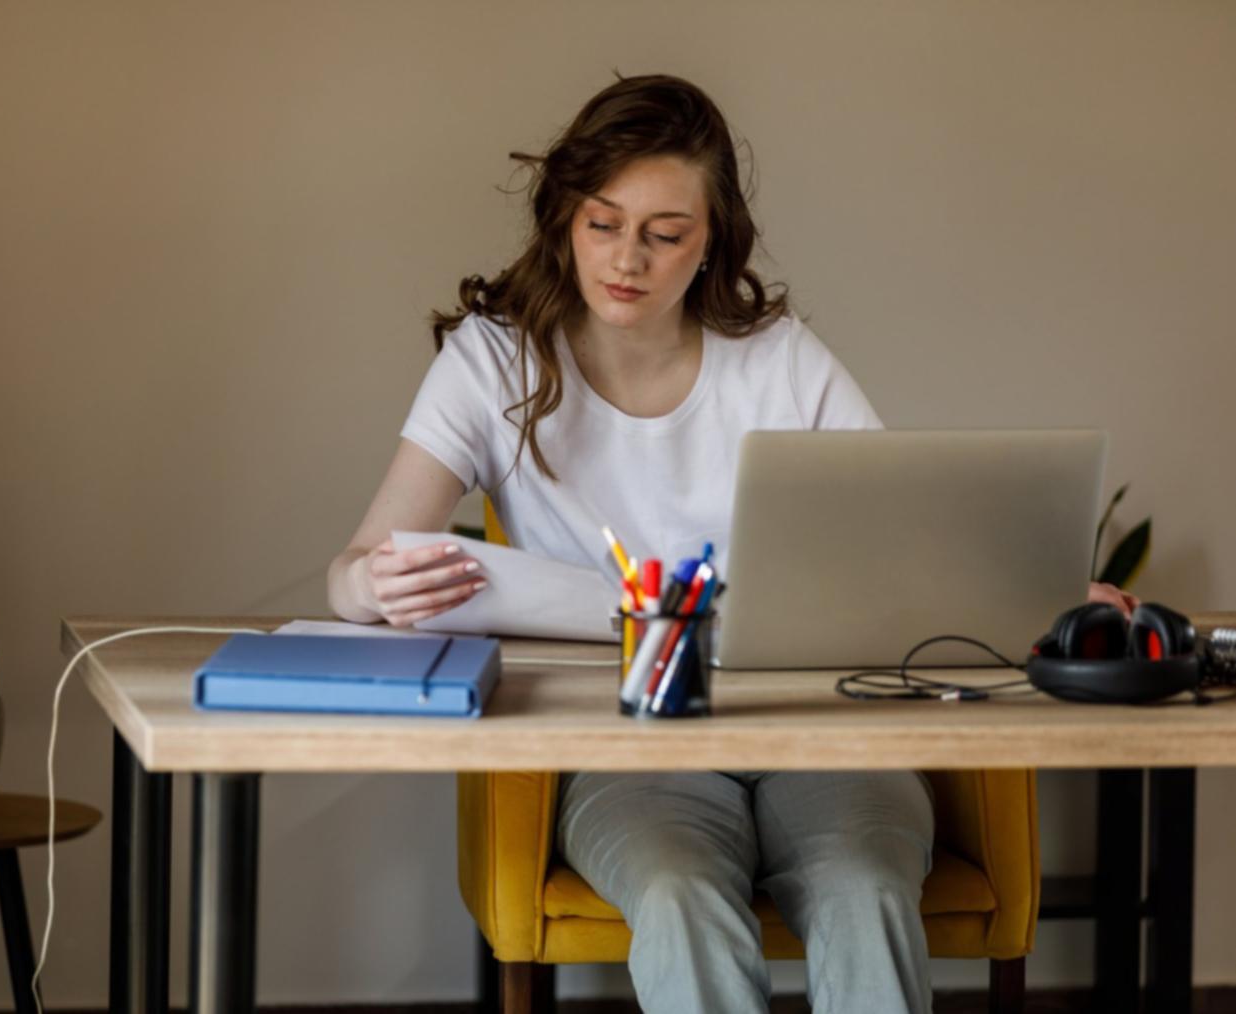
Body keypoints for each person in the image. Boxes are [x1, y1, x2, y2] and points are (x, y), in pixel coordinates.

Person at [327, 73, 1134, 1014]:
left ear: (709, 241)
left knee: (863, 887)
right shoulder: (494, 359)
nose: (627, 258)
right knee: (677, 896)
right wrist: (377, 588)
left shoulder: (779, 358)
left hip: (817, 735)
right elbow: (352, 571)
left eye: (664, 234)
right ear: (560, 220)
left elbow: (911, 539)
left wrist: (1049, 586)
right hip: (633, 747)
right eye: (602, 222)